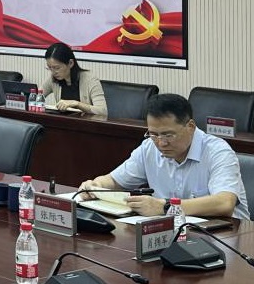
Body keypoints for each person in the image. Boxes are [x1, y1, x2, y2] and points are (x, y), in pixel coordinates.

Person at [79, 93, 249, 219]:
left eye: (168, 135)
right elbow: (115, 180)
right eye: (153, 134)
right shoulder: (148, 148)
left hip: (225, 236)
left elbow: (225, 203)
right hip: (173, 232)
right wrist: (95, 186)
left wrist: (165, 207)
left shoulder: (217, 151)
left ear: (190, 126)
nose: (161, 143)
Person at [41, 42, 107, 115]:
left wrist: (77, 104)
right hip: (62, 121)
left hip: (84, 121)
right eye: (50, 68)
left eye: (57, 68)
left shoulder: (90, 80)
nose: (53, 72)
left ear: (70, 63)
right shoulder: (53, 79)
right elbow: (37, 96)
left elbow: (102, 111)